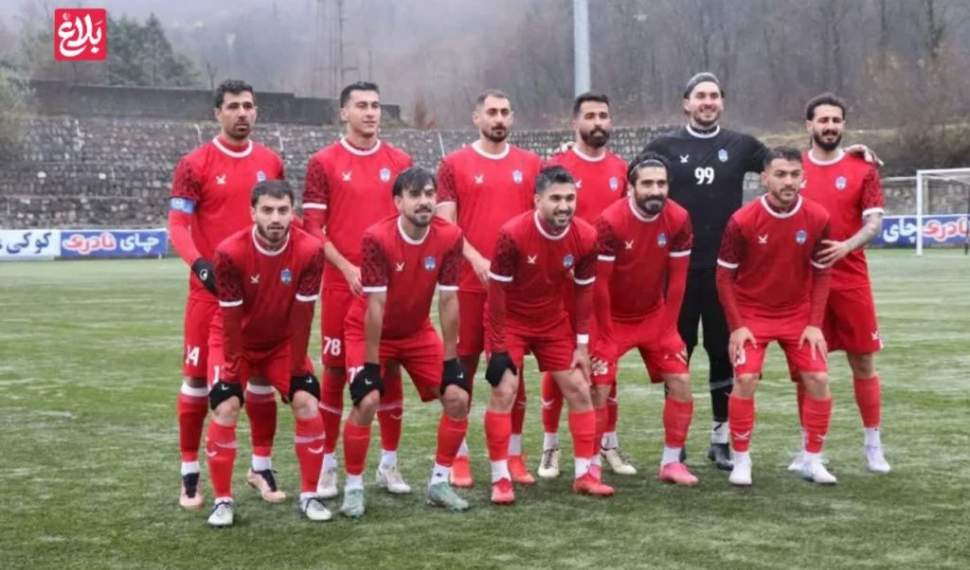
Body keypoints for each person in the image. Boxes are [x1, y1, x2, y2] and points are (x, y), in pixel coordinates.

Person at [168, 79, 286, 509]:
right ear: (217, 112)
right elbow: (178, 225)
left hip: (259, 294)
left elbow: (282, 221)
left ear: (257, 111)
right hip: (209, 295)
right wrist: (201, 265)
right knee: (198, 380)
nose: (242, 113)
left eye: (248, 106)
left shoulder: (271, 161)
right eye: (233, 106)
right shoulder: (194, 163)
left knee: (260, 379)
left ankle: (261, 467)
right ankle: (189, 473)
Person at [642, 72, 768, 470]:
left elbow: (785, 166)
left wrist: (845, 154)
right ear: (687, 103)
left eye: (714, 95)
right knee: (675, 353)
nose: (708, 101)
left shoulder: (741, 145)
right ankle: (675, 441)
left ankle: (720, 439)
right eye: (700, 95)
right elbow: (630, 182)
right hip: (675, 272)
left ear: (722, 103)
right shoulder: (663, 147)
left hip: (725, 273)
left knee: (722, 353)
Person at [338, 167, 471, 518]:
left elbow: (449, 299)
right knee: (367, 399)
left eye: (429, 194)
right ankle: (353, 487)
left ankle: (439, 483)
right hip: (369, 331)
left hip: (416, 332)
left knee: (458, 397)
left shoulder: (450, 236)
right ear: (398, 202)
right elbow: (375, 305)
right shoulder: (377, 238)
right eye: (415, 195)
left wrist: (452, 360)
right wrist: (370, 366)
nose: (424, 201)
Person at [302, 81, 413, 499]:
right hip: (340, 283)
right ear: (343, 113)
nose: (370, 112)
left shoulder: (399, 161)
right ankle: (328, 464)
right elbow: (313, 229)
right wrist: (347, 267)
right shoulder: (323, 162)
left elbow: (408, 224)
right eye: (361, 105)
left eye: (376, 105)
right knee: (334, 372)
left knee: (390, 368)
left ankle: (389, 463)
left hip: (390, 286)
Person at [483, 165, 612, 504]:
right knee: (504, 390)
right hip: (510, 321)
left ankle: (585, 475)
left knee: (580, 389)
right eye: (556, 198)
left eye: (570, 198)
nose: (564, 206)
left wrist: (581, 345)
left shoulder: (586, 237)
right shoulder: (512, 234)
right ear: (537, 200)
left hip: (552, 323)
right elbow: (496, 296)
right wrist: (498, 346)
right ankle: (500, 479)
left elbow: (584, 293)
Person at [205, 180, 328, 527]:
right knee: (226, 405)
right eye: (267, 210)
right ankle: (222, 501)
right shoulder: (230, 252)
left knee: (307, 401)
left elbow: (303, 316)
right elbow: (231, 320)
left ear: (293, 212)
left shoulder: (310, 250)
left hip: (280, 343)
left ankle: (310, 495)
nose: (275, 218)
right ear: (253, 213)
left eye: (283, 210)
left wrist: (299, 368)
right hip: (234, 341)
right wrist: (231, 374)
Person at [435, 89, 543, 487]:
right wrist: (477, 259)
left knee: (513, 373)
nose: (499, 118)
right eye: (492, 112)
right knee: (460, 368)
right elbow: (446, 224)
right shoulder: (453, 164)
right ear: (476, 118)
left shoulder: (531, 164)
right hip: (467, 284)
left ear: (512, 118)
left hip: (513, 289)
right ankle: (458, 456)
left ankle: (513, 454)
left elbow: (539, 222)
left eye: (505, 112)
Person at [715, 147, 836, 487]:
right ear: (764, 178)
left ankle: (812, 459)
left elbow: (822, 272)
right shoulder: (743, 220)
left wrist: (814, 323)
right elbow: (724, 276)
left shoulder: (818, 217)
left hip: (798, 315)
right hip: (752, 314)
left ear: (803, 177)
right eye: (780, 174)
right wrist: (737, 327)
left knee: (818, 378)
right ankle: (742, 459)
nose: (788, 181)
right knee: (746, 379)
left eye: (795, 174)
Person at [538, 92, 632, 479]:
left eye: (603, 116)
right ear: (574, 122)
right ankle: (550, 446)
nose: (598, 122)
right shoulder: (556, 165)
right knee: (558, 363)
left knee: (607, 361)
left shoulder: (621, 168)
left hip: (606, 283)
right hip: (562, 282)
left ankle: (608, 443)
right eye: (590, 116)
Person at [795, 93, 890, 474]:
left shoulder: (862, 168)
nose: (830, 126)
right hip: (805, 283)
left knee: (863, 361)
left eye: (836, 120)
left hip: (851, 280)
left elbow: (874, 222)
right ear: (809, 125)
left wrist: (846, 246)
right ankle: (808, 448)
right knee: (808, 368)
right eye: (823, 120)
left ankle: (873, 445)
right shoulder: (794, 169)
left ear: (844, 125)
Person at [591, 153, 698, 486]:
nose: (655, 190)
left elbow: (678, 280)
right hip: (610, 319)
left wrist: (669, 328)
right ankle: (590, 464)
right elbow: (600, 285)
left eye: (661, 183)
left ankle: (671, 463)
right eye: (648, 183)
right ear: (630, 187)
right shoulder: (609, 221)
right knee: (599, 387)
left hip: (654, 317)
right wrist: (605, 335)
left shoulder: (679, 218)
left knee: (681, 382)